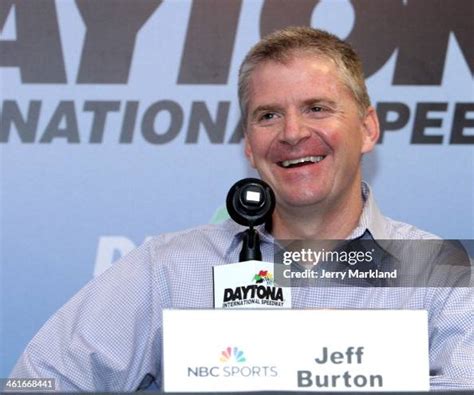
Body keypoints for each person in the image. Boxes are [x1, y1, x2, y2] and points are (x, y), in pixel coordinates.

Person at [10, 27, 473, 391]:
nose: (292, 133)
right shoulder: (169, 269)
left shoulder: (444, 276)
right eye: (268, 115)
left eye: (316, 108)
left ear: (368, 129)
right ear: (249, 146)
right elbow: (34, 381)